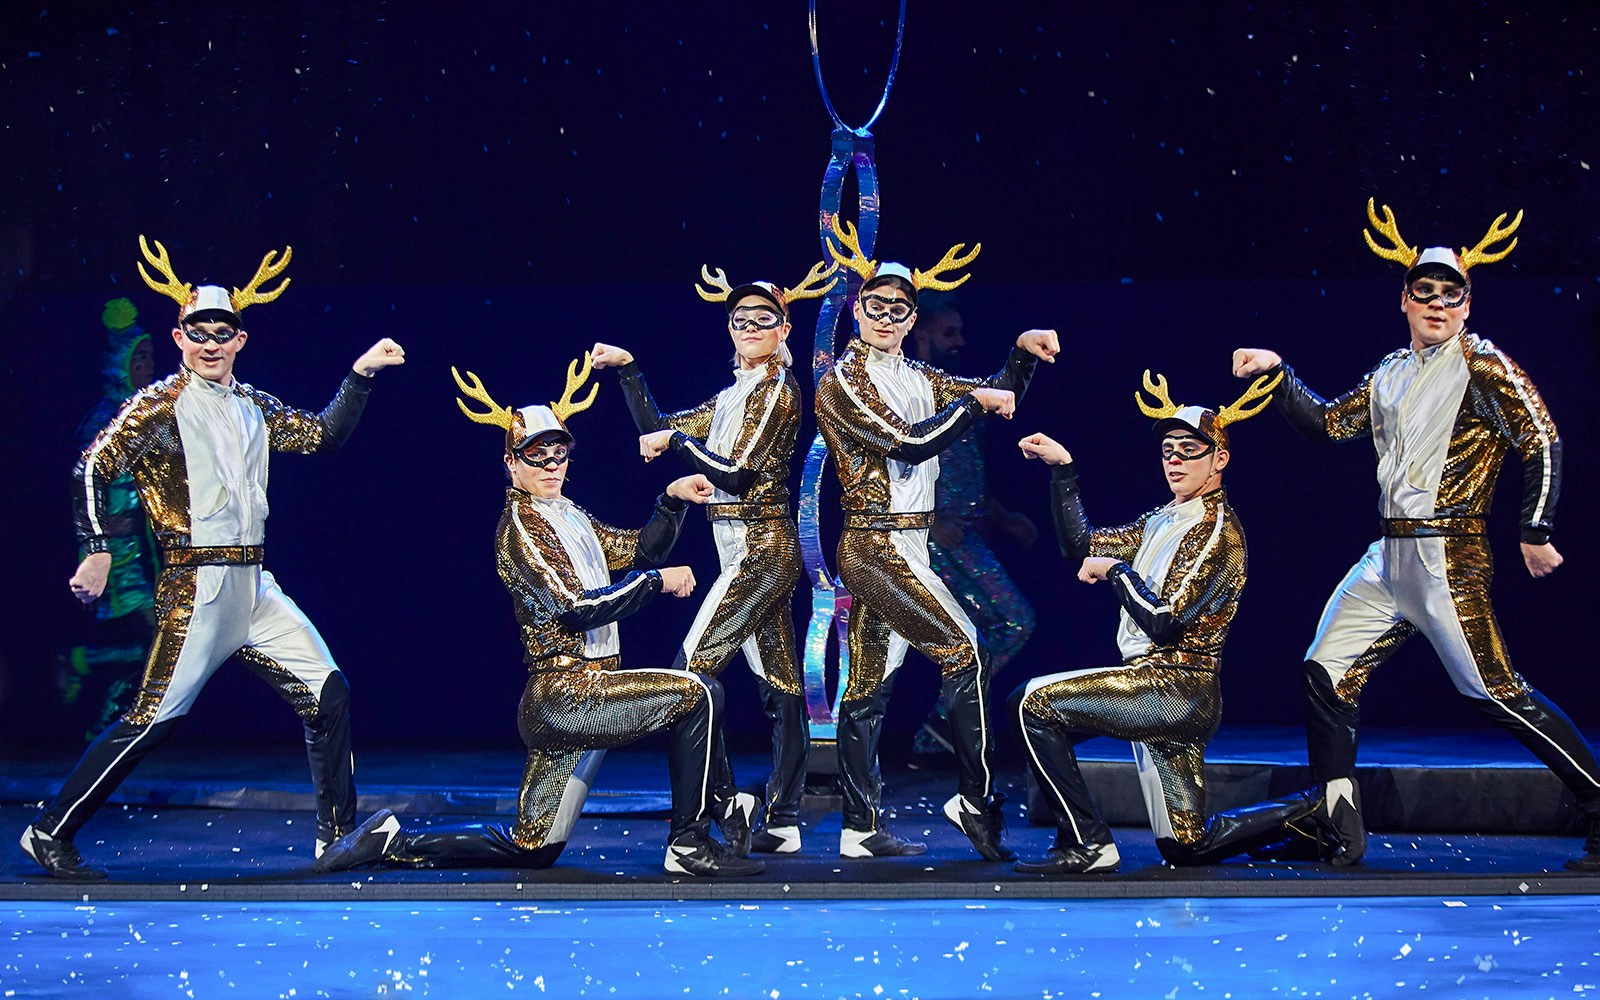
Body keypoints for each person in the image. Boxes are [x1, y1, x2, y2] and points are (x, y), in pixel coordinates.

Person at [1231, 200, 1600, 871]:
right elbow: (1328, 425)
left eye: (1450, 293)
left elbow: (1541, 438)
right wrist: (1278, 374)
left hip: (1447, 555)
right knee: (1324, 670)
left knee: (1495, 691)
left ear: (1468, 303)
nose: (1437, 303)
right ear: (1404, 299)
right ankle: (1338, 821)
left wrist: (1534, 528)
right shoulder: (1391, 371)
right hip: (1389, 556)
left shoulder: (1483, 365)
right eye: (1424, 291)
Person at [21, 238, 405, 881]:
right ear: (178, 337)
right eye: (197, 333)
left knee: (329, 692)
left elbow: (322, 434)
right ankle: (49, 831)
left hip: (254, 585)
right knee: (152, 720)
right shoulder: (158, 406)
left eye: (221, 333)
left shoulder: (254, 405)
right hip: (195, 584)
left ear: (240, 340)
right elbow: (92, 466)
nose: (209, 344)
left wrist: (361, 375)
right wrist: (98, 550)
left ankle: (336, 837)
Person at [317, 360, 762, 877]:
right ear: (511, 463)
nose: (551, 466)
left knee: (533, 846)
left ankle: (392, 843)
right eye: (537, 456)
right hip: (568, 697)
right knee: (699, 693)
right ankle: (690, 842)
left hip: (583, 695)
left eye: (559, 454)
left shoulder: (568, 514)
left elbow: (637, 550)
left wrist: (671, 501)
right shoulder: (520, 529)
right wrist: (655, 582)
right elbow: (574, 609)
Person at [814, 217, 1058, 859]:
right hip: (874, 547)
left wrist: (1021, 354)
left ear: (910, 316)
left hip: (913, 544)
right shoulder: (842, 382)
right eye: (876, 306)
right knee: (964, 652)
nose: (886, 317)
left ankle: (859, 826)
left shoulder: (919, 377)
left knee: (869, 686)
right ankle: (975, 801)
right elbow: (909, 442)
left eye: (898, 308)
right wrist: (976, 403)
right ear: (856, 309)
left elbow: (994, 394)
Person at [1009, 372, 1319, 875]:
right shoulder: (1164, 519)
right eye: (1168, 450)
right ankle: (1311, 811)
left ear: (1219, 459)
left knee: (1031, 704)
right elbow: (1082, 546)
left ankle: (1087, 843)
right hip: (1161, 686)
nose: (1175, 460)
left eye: (1189, 450)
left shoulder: (1215, 531)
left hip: (1173, 687)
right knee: (1186, 845)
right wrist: (1063, 471)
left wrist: (1118, 571)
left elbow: (1164, 622)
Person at [588, 262, 834, 856]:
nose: (749, 327)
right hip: (742, 549)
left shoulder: (778, 391)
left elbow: (738, 474)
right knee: (779, 686)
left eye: (763, 319)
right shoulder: (732, 395)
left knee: (687, 677)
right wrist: (629, 371)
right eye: (740, 319)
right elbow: (660, 427)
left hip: (762, 552)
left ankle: (719, 806)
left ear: (784, 330)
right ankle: (781, 819)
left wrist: (677, 442)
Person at [904, 292, 1038, 766]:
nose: (959, 341)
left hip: (969, 532)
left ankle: (943, 731)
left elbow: (968, 468)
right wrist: (932, 520)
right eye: (949, 333)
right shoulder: (912, 393)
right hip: (935, 540)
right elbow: (899, 464)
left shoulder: (957, 391)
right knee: (1014, 620)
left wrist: (1002, 517)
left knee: (975, 636)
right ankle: (943, 722)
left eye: (961, 332)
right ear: (922, 334)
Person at [59, 297, 160, 740]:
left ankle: (105, 725)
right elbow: (85, 482)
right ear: (122, 365)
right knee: (155, 640)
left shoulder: (142, 412)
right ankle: (83, 663)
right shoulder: (105, 419)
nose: (149, 365)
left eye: (151, 356)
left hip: (140, 550)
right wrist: (101, 534)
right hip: (115, 556)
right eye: (140, 358)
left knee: (150, 645)